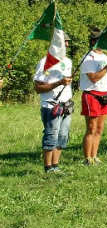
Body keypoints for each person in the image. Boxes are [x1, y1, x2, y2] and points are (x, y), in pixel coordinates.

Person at [33, 35, 73, 173]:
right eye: (64, 42)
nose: (67, 45)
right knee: (51, 136)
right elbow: (38, 88)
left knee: (62, 136)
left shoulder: (68, 61)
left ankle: (55, 165)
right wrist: (58, 83)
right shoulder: (45, 62)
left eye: (67, 42)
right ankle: (47, 167)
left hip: (66, 105)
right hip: (51, 106)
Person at [80, 28, 107, 165]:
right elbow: (93, 78)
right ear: (94, 41)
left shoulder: (106, 57)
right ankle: (87, 158)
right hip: (91, 94)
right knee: (91, 128)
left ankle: (95, 156)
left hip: (104, 95)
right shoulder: (87, 58)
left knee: (100, 128)